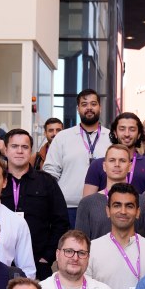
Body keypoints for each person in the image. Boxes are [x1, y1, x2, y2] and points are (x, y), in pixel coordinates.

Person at [2, 128, 69, 278]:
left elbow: (61, 221)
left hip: (38, 263)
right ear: (5, 150)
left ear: (31, 151)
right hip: (1, 262)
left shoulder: (46, 181)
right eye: (14, 146)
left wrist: (47, 257)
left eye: (25, 147)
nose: (20, 151)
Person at [43, 88, 113, 217]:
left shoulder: (111, 138)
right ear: (78, 109)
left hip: (105, 206)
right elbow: (50, 172)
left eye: (93, 104)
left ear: (100, 107)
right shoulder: (63, 137)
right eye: (84, 104)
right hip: (68, 207)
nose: (89, 108)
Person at [83, 112, 145, 195]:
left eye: (132, 129)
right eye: (122, 129)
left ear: (139, 134)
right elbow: (88, 201)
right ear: (115, 133)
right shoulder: (98, 165)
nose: (127, 134)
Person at [75, 143, 138, 241]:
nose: (117, 164)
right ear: (104, 166)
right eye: (112, 160)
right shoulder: (87, 203)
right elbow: (80, 242)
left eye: (122, 160)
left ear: (130, 166)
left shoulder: (140, 201)